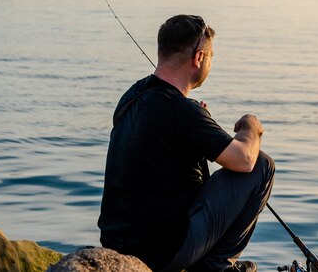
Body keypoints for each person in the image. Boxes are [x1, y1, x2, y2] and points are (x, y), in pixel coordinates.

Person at [98, 14, 275, 272]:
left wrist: (196, 125)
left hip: (116, 242)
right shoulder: (182, 111)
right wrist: (251, 126)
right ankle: (215, 267)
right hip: (159, 253)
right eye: (212, 56)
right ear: (199, 57)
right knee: (262, 165)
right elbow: (245, 160)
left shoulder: (132, 95)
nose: (211, 62)